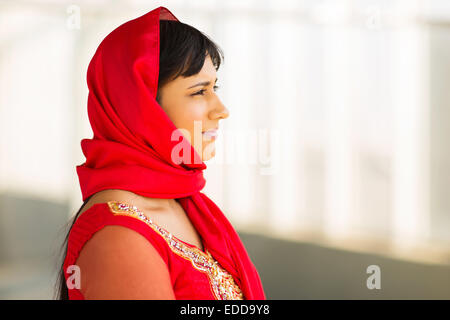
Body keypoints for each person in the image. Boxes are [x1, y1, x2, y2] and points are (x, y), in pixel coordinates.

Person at [55, 6, 266, 300]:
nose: (221, 110)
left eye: (214, 87)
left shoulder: (186, 204)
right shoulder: (119, 235)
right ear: (141, 107)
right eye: (198, 91)